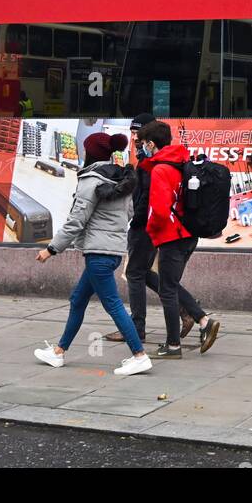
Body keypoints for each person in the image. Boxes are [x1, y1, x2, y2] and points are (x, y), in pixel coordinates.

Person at [33, 132, 152, 377]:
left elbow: (76, 221)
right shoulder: (122, 178)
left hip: (98, 252)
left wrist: (51, 249)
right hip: (111, 250)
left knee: (113, 305)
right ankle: (58, 352)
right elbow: (129, 213)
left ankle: (139, 355)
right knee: (78, 299)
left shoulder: (91, 181)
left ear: (89, 153)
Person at [105, 113, 194, 345]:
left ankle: (137, 329)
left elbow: (147, 199)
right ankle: (191, 312)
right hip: (151, 226)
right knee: (146, 274)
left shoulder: (153, 164)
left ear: (149, 139)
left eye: (138, 134)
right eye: (133, 133)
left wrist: (137, 223)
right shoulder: (154, 160)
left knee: (136, 273)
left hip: (146, 226)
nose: (134, 138)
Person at [137, 120, 220, 358]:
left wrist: (151, 231)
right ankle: (203, 321)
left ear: (151, 144)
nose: (143, 148)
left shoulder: (161, 170)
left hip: (172, 237)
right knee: (169, 286)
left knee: (167, 292)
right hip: (187, 234)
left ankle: (173, 345)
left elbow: (160, 211)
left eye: (143, 144)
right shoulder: (181, 162)